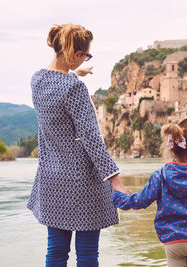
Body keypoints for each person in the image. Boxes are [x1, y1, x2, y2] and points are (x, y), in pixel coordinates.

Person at [27, 23, 127, 267]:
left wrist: (75, 73)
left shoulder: (37, 80)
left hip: (51, 180)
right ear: (76, 54)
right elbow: (91, 138)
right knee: (87, 254)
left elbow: (58, 85)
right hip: (82, 182)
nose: (84, 61)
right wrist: (114, 179)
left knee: (56, 252)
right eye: (85, 56)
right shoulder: (74, 88)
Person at [112, 119, 187, 267]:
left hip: (174, 241)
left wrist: (117, 196)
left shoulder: (160, 176)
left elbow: (140, 201)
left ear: (170, 148)